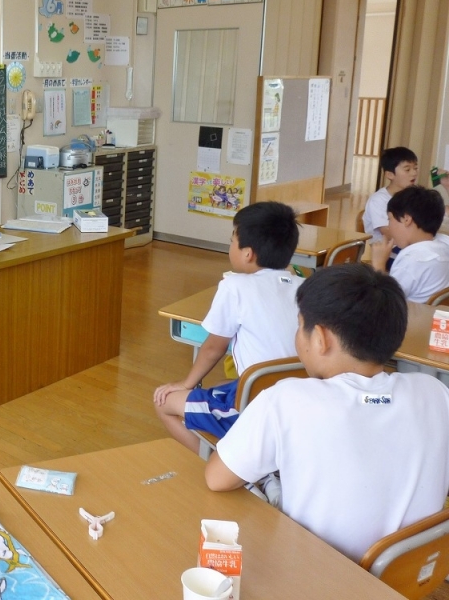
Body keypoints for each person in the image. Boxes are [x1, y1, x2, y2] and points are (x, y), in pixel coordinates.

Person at [205, 264, 449, 563]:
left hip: (318, 576)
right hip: (410, 574)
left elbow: (217, 478)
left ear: (321, 338)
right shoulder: (435, 392)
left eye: (299, 325)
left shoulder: (287, 400)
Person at [153, 201, 302, 453]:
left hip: (258, 404)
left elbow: (214, 347)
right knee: (224, 384)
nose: (230, 246)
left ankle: (226, 462)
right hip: (298, 400)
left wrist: (186, 383)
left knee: (163, 402)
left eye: (232, 240)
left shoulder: (235, 286)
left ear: (248, 253)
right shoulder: (304, 286)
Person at [371, 185, 449, 302]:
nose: (389, 227)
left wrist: (379, 264)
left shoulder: (412, 261)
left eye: (390, 219)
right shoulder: (444, 245)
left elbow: (383, 302)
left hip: (410, 313)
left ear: (406, 219)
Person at [363, 146, 419, 243]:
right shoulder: (378, 200)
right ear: (390, 175)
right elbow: (389, 234)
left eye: (415, 168)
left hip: (409, 244)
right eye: (407, 169)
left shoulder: (414, 195)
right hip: (388, 248)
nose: (414, 173)